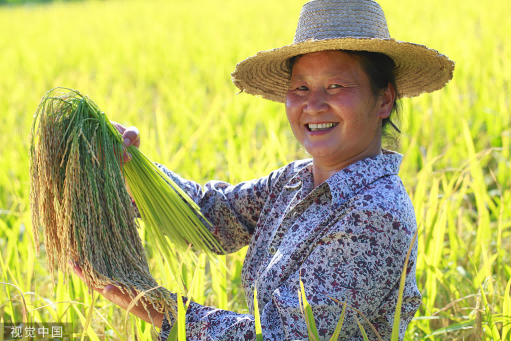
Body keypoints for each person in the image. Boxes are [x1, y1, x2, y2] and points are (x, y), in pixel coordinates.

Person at [72, 0, 454, 339]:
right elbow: (211, 216)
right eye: (301, 88)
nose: (314, 104)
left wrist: (156, 308)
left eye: (335, 86)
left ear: (384, 99)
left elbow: (281, 337)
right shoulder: (293, 181)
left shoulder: (376, 214)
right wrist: (130, 170)